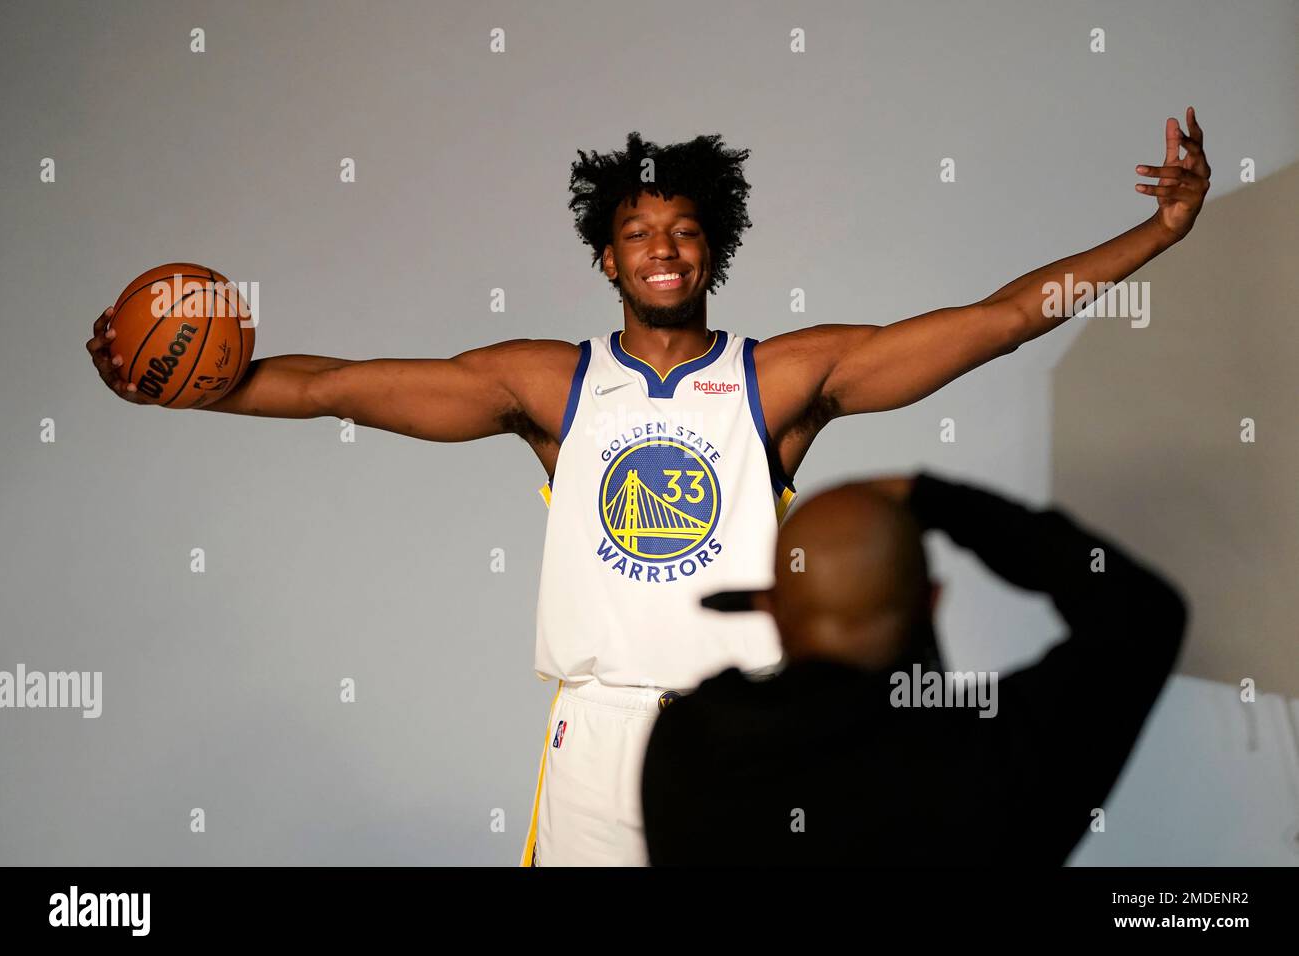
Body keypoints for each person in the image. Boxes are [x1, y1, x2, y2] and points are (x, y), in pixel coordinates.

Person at [85, 113, 1210, 866]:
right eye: (638, 233)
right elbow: (335, 386)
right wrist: (180, 391)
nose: (662, 247)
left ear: (711, 249)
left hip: (751, 730)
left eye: (683, 231)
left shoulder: (778, 379)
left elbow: (995, 323)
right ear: (606, 258)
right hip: (599, 733)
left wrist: (1154, 233)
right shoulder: (549, 383)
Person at [641, 472, 1189, 866]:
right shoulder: (994, 754)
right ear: (931, 601)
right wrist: (931, 498)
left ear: (771, 610)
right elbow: (1142, 613)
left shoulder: (689, 745)